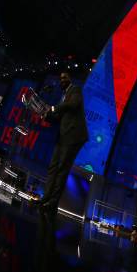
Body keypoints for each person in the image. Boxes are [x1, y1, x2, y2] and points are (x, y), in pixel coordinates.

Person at [37, 72, 88, 215]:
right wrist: (45, 115)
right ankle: (45, 199)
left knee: (62, 169)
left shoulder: (75, 90)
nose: (62, 80)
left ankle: (52, 203)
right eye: (60, 78)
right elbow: (57, 118)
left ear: (70, 79)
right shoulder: (63, 97)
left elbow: (72, 105)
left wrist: (52, 108)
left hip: (73, 137)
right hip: (63, 136)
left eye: (65, 77)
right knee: (53, 167)